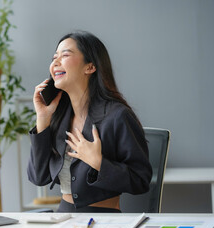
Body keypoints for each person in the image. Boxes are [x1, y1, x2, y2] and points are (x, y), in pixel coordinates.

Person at [27, 31, 152, 213]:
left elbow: (141, 181)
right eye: (54, 57)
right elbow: (38, 177)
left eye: (65, 55)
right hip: (64, 217)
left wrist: (98, 162)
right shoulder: (58, 117)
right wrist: (43, 119)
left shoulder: (118, 116)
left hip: (104, 220)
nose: (55, 62)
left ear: (90, 67)